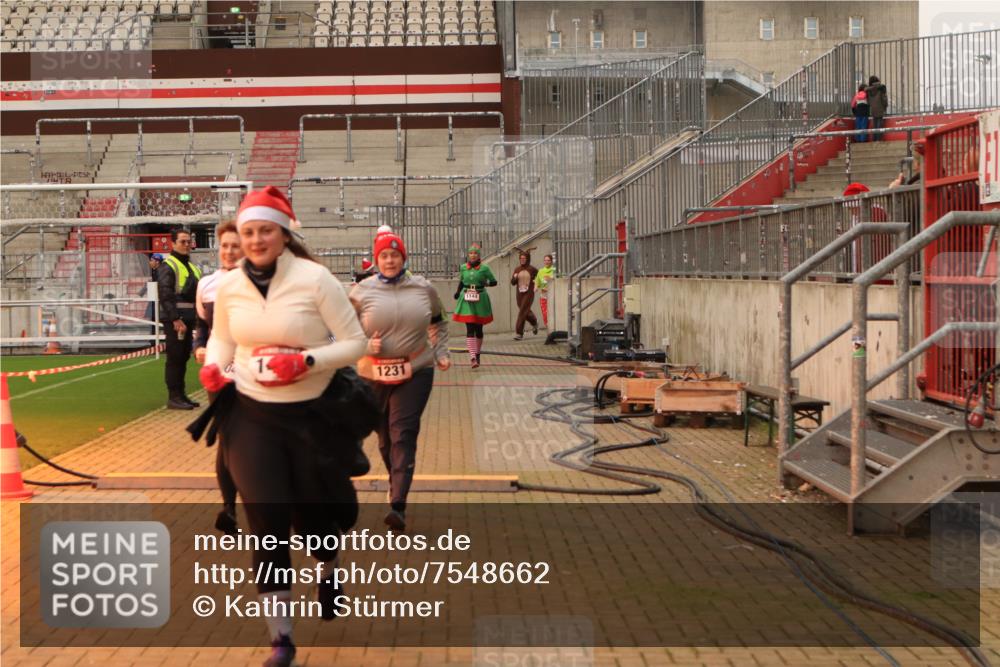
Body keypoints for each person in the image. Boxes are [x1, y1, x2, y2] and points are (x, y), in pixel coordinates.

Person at [199, 186, 367, 667]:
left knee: (314, 524)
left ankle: (328, 568)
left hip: (310, 414)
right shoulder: (231, 287)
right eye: (248, 231)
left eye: (265, 231)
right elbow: (222, 339)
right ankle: (282, 638)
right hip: (252, 415)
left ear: (284, 233)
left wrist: (307, 360)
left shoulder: (316, 280)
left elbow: (355, 343)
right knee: (267, 526)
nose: (255, 240)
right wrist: (215, 368)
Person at [349, 225, 451, 531]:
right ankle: (397, 480)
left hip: (415, 370)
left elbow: (439, 322)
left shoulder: (424, 288)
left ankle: (398, 504)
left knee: (403, 432)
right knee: (384, 440)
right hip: (372, 374)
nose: (390, 260)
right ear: (376, 260)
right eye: (384, 256)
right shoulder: (361, 291)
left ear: (403, 258)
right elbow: (342, 331)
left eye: (395, 255)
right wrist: (364, 345)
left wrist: (441, 352)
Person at [192, 220, 243, 536]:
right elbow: (202, 326)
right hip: (219, 373)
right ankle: (229, 509)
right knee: (227, 438)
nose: (229, 251)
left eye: (235, 246)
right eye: (225, 245)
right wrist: (199, 347)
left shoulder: (257, 282)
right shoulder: (206, 285)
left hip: (253, 372)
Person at [158, 229, 201, 410]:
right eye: (182, 241)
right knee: (175, 357)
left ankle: (181, 395)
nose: (186, 245)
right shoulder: (168, 265)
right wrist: (175, 319)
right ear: (173, 243)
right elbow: (165, 294)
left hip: (189, 318)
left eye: (188, 241)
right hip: (176, 320)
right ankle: (174, 397)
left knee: (183, 357)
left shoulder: (192, 266)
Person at [452, 243, 497, 369]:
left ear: (479, 255)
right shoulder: (463, 267)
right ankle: (472, 357)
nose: (473, 255)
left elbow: (494, 282)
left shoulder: (484, 268)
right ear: (468, 255)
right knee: (470, 328)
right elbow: (462, 281)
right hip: (466, 298)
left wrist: (486, 283)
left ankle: (477, 354)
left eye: (475, 253)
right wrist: (457, 292)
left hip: (480, 298)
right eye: (471, 253)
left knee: (479, 330)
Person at [510, 250, 539, 340]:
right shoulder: (517, 269)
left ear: (528, 259)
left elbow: (539, 278)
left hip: (529, 293)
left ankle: (519, 333)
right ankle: (534, 322)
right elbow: (513, 283)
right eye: (521, 258)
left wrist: (537, 284)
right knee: (525, 311)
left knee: (522, 311)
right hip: (519, 294)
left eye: (524, 258)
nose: (522, 260)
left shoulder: (532, 269)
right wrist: (515, 278)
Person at [534, 254, 556, 329]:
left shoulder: (555, 270)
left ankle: (554, 330)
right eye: (545, 260)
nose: (546, 262)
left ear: (551, 261)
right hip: (543, 296)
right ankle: (549, 330)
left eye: (548, 260)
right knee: (545, 315)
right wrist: (535, 287)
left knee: (553, 314)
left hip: (553, 296)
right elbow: (537, 281)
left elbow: (559, 280)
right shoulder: (541, 271)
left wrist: (550, 278)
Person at [866, 76, 888, 141]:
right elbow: (884, 99)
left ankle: (874, 139)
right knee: (879, 124)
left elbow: (868, 101)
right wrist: (885, 105)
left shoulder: (868, 90)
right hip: (880, 107)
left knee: (875, 124)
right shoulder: (881, 88)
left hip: (873, 109)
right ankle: (878, 139)